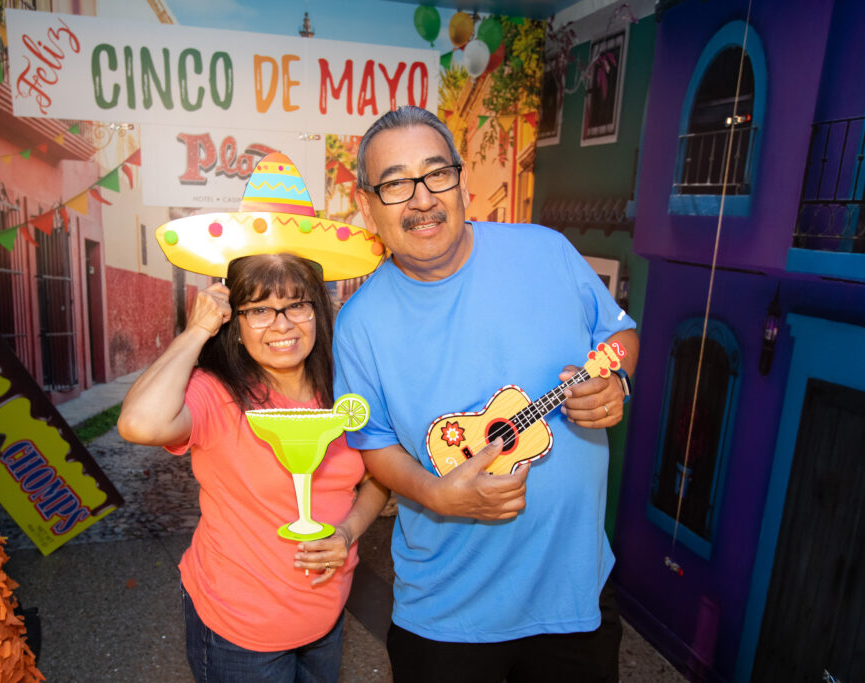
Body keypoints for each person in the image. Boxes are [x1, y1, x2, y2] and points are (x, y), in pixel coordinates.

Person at [332, 106, 640, 682]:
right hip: (446, 614)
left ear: (462, 183)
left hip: (573, 595)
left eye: (436, 173)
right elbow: (373, 443)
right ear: (367, 206)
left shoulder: (547, 252)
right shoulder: (359, 324)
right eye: (395, 184)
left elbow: (618, 335)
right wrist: (436, 494)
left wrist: (616, 381)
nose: (422, 199)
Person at [118, 253, 389, 683]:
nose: (282, 325)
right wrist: (198, 330)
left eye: (296, 305)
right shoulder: (217, 393)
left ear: (317, 313)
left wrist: (348, 532)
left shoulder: (345, 392)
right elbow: (139, 423)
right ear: (236, 324)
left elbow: (378, 478)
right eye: (260, 310)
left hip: (326, 613)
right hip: (239, 629)